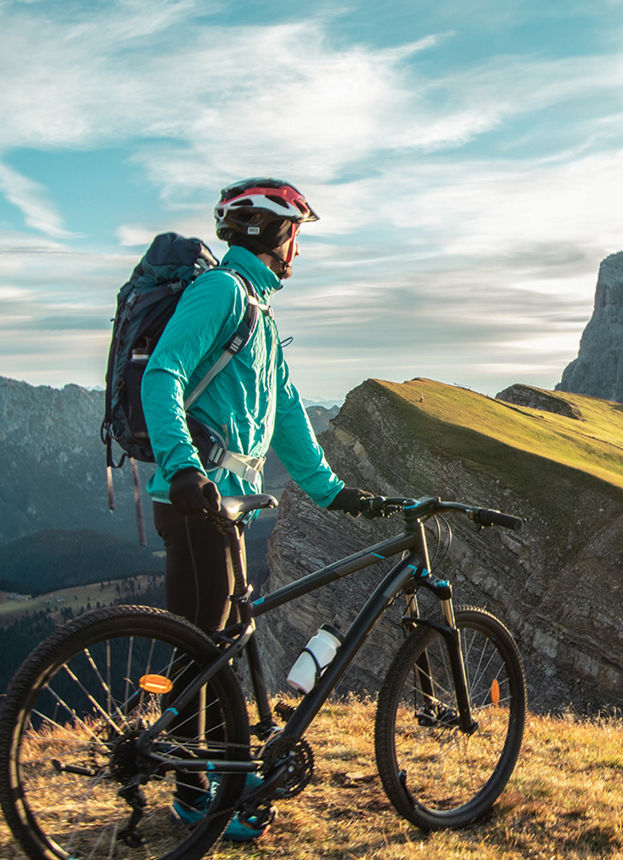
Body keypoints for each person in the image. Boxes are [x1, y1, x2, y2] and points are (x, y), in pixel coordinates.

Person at [140, 177, 372, 841]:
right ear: (270, 233)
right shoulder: (221, 293)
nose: (298, 248)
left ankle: (220, 781)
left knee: (219, 640)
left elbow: (289, 417)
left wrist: (331, 491)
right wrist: (184, 467)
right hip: (196, 498)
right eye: (294, 233)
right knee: (204, 648)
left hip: (225, 503)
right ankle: (199, 796)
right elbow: (164, 373)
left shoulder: (258, 312)